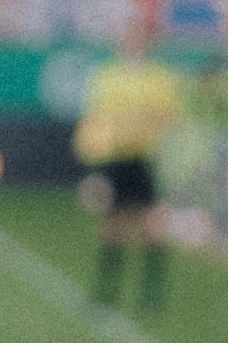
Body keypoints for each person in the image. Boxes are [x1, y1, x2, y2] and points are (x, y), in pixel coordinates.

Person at [73, 25, 186, 310]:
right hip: (116, 158)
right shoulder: (108, 76)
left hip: (147, 158)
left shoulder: (160, 77)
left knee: (153, 225)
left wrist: (148, 125)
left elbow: (171, 117)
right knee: (113, 226)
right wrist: (95, 167)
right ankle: (105, 291)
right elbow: (97, 119)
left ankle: (151, 294)